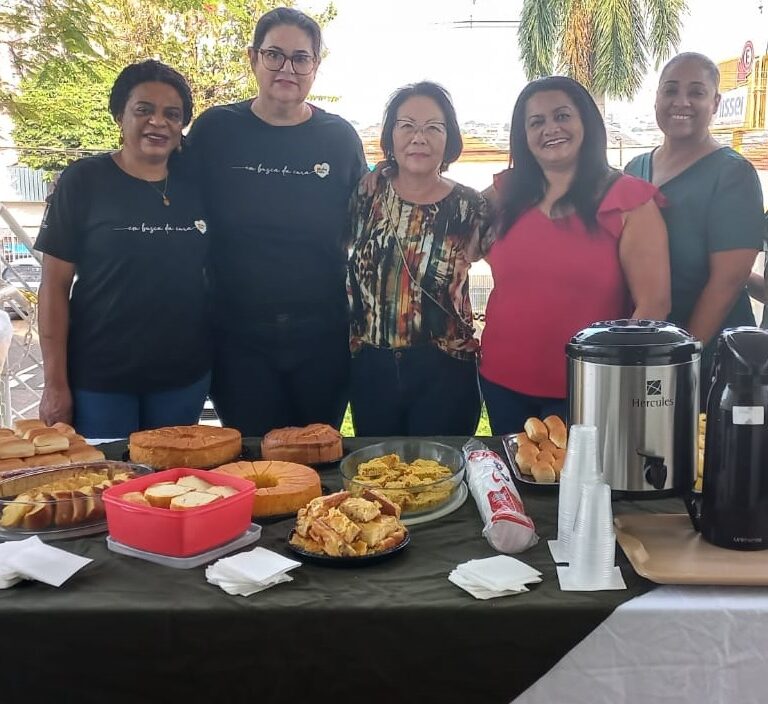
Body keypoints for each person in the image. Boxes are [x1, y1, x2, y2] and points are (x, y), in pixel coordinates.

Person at [186, 7, 367, 437]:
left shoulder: (339, 139)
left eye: (301, 58)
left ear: (315, 67)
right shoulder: (214, 130)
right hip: (237, 335)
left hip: (322, 333)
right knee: (253, 462)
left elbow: (370, 218)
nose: (287, 68)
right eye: (275, 55)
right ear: (253, 59)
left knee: (320, 455)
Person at [480, 76, 671, 435]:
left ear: (586, 122)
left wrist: (614, 382)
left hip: (588, 390)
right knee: (513, 486)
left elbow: (653, 307)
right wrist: (386, 170)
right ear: (523, 135)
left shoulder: (629, 200)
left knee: (581, 490)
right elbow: (443, 216)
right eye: (536, 122)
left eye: (562, 116)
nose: (550, 129)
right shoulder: (504, 192)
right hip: (500, 381)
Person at [35, 60, 211, 438]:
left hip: (182, 378)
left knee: (173, 487)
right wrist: (55, 383)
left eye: (172, 114)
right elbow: (53, 286)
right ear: (120, 115)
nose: (158, 122)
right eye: (143, 110)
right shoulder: (84, 181)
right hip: (101, 379)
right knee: (106, 487)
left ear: (182, 126)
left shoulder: (198, 186)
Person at [347, 82, 490, 436]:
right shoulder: (367, 194)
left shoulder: (470, 207)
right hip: (372, 365)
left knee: (440, 479)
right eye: (406, 125)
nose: (419, 137)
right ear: (391, 135)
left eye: (433, 127)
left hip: (446, 367)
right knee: (376, 475)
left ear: (449, 139)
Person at [626, 52, 765, 399]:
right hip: (645, 343)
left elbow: (729, 280)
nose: (681, 102)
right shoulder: (634, 168)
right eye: (670, 90)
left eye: (697, 92)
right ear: (656, 97)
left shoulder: (733, 174)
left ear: (715, 102)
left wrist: (681, 358)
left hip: (709, 353)